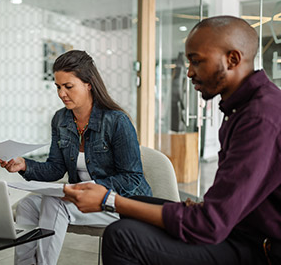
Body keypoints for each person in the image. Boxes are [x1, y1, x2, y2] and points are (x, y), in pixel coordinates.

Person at [64, 16, 281, 265]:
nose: (189, 72)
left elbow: (210, 225)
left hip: (259, 248)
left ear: (232, 59)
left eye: (196, 61)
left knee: (122, 236)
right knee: (135, 207)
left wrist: (108, 200)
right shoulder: (242, 108)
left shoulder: (261, 117)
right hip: (237, 227)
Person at [0, 50, 152, 265]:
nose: (62, 93)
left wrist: (90, 187)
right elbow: (55, 168)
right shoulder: (60, 119)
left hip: (122, 203)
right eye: (58, 87)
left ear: (89, 84)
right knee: (27, 205)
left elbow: (132, 179)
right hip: (83, 198)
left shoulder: (117, 121)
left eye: (68, 86)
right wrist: (24, 165)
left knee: (55, 203)